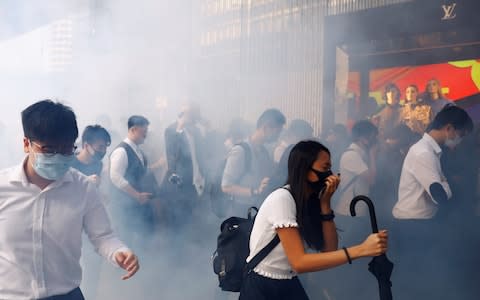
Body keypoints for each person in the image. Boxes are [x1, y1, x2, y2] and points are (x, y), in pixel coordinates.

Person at [0, 100, 139, 299]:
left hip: (66, 294)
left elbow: (103, 236)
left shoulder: (83, 188)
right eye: (48, 150)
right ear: (26, 144)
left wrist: (119, 252)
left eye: (66, 149)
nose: (58, 156)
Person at [239, 140, 388, 300]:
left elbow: (330, 249)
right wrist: (361, 250)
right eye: (325, 168)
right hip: (263, 286)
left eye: (331, 168)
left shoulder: (309, 200)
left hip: (288, 281)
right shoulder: (282, 198)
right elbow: (299, 262)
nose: (331, 175)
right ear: (305, 170)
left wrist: (325, 204)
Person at [391, 105, 473, 299]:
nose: (459, 140)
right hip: (413, 226)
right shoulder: (423, 153)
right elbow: (441, 195)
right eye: (461, 134)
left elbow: (442, 188)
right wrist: (446, 184)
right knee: (416, 280)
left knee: (424, 277)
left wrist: (445, 184)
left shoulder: (432, 151)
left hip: (420, 224)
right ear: (449, 128)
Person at [221, 108, 286, 216]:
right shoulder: (240, 151)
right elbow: (226, 187)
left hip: (258, 209)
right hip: (241, 211)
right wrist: (254, 191)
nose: (278, 136)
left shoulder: (264, 151)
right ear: (266, 127)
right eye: (277, 132)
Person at [109, 115, 157, 246]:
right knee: (129, 242)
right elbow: (115, 177)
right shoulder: (121, 151)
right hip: (128, 207)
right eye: (144, 131)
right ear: (134, 129)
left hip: (140, 205)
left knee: (145, 238)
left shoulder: (139, 151)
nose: (146, 134)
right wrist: (137, 195)